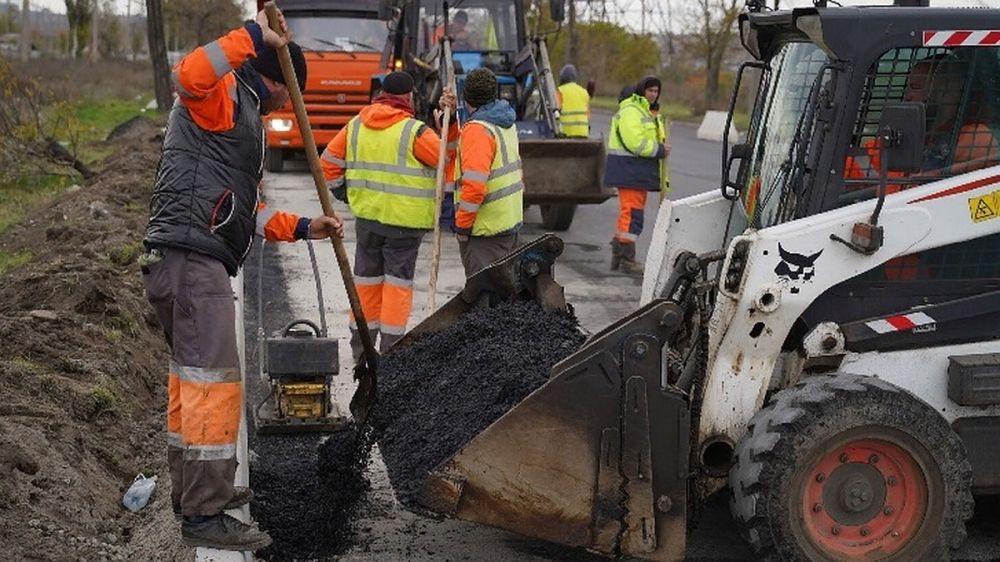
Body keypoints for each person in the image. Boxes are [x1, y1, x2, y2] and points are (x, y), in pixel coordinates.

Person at [142, 9, 345, 552]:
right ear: (280, 80)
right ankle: (204, 515)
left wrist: (305, 226)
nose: (288, 102)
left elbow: (245, 215)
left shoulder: (244, 115)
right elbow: (189, 74)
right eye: (290, 91)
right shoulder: (223, 92)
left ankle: (194, 495)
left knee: (193, 384)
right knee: (214, 385)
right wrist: (254, 34)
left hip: (189, 257)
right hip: (190, 259)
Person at [321, 72, 458, 356]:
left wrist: (345, 194)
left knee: (366, 282)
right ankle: (391, 350)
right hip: (405, 226)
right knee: (397, 285)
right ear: (408, 97)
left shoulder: (357, 125)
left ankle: (362, 348)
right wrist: (448, 127)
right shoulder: (414, 132)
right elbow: (448, 164)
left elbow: (328, 164)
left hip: (368, 220)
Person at [454, 67, 523, 276]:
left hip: (485, 231)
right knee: (502, 298)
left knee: (483, 299)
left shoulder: (477, 130)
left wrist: (462, 227)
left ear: (467, 98)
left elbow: (475, 187)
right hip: (507, 223)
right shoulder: (505, 123)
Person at [604, 76, 670, 274]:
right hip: (630, 170)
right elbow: (635, 142)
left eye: (656, 91)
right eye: (649, 90)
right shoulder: (631, 112)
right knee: (632, 215)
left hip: (634, 171)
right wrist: (659, 149)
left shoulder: (641, 111)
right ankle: (626, 258)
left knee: (630, 213)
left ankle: (618, 255)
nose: (653, 94)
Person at [556, 64, 591, 138]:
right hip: (584, 133)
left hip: (567, 134)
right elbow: (588, 116)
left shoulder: (560, 91)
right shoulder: (584, 92)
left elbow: (555, 113)